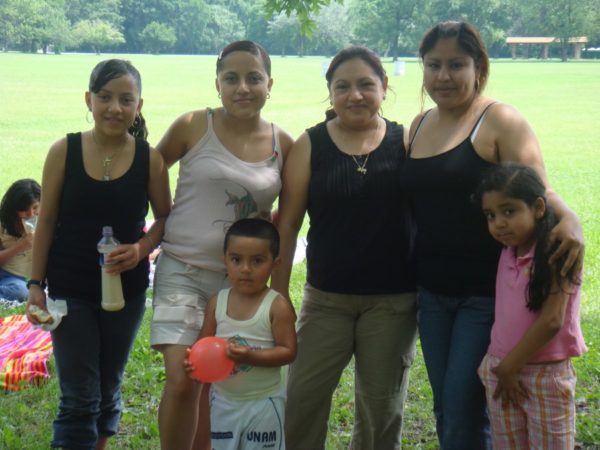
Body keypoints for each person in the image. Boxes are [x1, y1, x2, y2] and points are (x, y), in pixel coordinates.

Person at [400, 21, 584, 449]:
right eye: (434, 65)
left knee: (464, 406)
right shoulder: (419, 123)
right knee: (447, 405)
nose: (443, 76)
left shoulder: (498, 119)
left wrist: (571, 219)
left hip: (484, 294)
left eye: (456, 64)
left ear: (478, 66)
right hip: (431, 292)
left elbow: (539, 190)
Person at [272, 45, 418, 449]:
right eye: (343, 86)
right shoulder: (310, 144)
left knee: (382, 411)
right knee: (302, 401)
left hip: (392, 303)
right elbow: (287, 225)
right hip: (325, 301)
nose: (355, 95)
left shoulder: (406, 140)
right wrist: (279, 294)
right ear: (330, 93)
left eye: (366, 85)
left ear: (385, 87)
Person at [150, 40, 293, 450]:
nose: (242, 87)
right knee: (183, 377)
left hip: (241, 288)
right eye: (231, 78)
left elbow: (288, 221)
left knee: (219, 382)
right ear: (217, 84)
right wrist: (160, 223)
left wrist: (276, 295)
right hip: (182, 270)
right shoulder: (194, 124)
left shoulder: (284, 143)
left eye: (253, 77)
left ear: (270, 83)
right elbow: (151, 168)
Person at [26, 59, 171, 450]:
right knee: (78, 395)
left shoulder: (149, 158)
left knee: (109, 384)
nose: (115, 108)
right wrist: (35, 286)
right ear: (88, 100)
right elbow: (46, 221)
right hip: (70, 287)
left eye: (126, 99)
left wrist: (142, 248)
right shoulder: (65, 151)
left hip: (127, 291)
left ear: (139, 105)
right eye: (105, 97)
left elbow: (163, 220)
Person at [473, 162, 587, 449]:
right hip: (501, 369)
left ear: (538, 207)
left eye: (509, 211)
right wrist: (500, 368)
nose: (499, 223)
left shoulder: (557, 251)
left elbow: (552, 321)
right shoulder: (508, 251)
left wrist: (510, 367)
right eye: (490, 215)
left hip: (544, 375)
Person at [187, 218, 296, 450]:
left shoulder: (276, 306)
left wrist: (250, 356)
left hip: (264, 402)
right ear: (225, 259)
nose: (245, 269)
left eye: (257, 261)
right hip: (224, 402)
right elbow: (203, 344)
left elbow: (288, 351)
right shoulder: (218, 303)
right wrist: (194, 364)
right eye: (236, 260)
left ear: (275, 264)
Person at [0, 179, 41, 302]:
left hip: (36, 277)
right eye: (24, 210)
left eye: (35, 207)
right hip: (9, 276)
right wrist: (21, 246)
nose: (30, 214)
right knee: (21, 291)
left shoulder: (45, 220)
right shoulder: (3, 225)